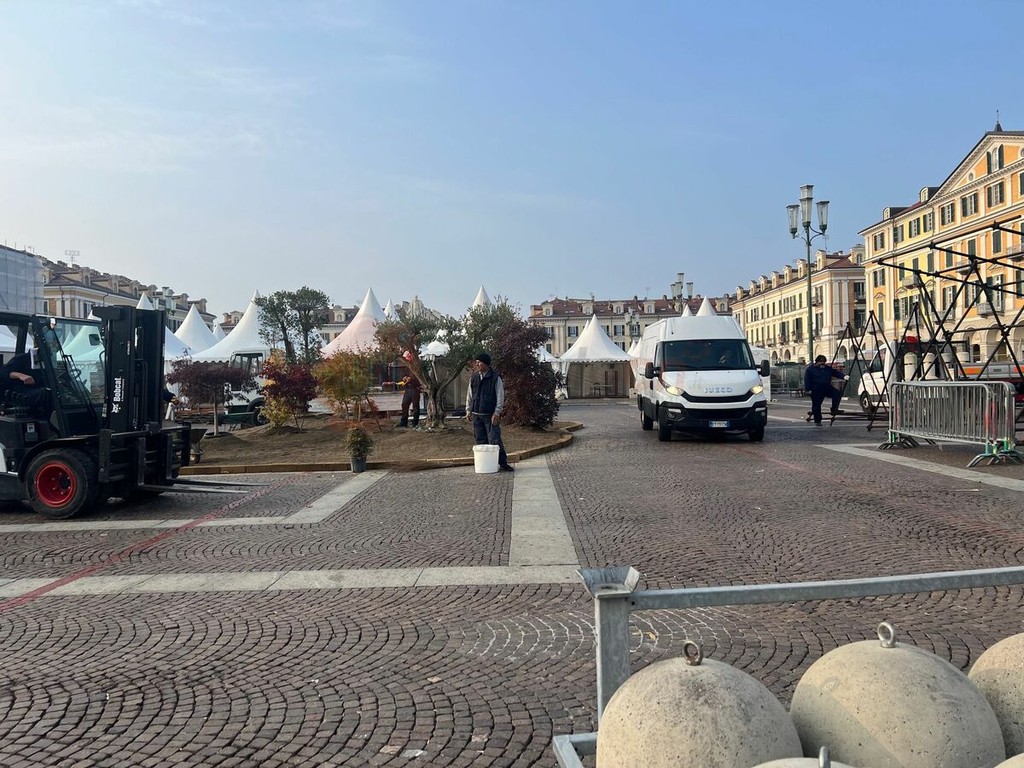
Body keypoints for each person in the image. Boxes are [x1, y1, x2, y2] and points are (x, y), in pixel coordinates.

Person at [465, 352, 513, 472]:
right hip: (477, 415)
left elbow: (500, 396)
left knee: (494, 440)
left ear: (486, 364)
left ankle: (502, 463)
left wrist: (497, 412)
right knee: (480, 440)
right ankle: (486, 464)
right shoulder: (474, 377)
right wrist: (468, 410)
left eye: (479, 362)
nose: (477, 364)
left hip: (490, 415)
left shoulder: (495, 378)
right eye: (476, 362)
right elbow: (469, 395)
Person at [804, 354, 848, 426]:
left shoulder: (827, 368)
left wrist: (844, 376)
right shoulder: (810, 369)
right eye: (821, 362)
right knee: (816, 406)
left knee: (837, 394)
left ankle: (834, 409)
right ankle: (818, 421)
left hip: (827, 387)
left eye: (824, 362)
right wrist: (808, 389)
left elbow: (835, 373)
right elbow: (807, 380)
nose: (822, 364)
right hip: (816, 389)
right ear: (817, 362)